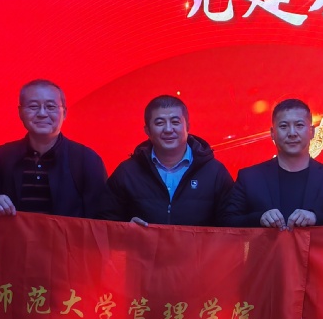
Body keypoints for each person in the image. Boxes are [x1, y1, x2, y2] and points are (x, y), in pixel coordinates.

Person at [100, 95, 233, 226]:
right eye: (159, 123)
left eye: (175, 122)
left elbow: (231, 227)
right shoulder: (127, 172)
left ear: (187, 126)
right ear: (147, 130)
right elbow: (104, 223)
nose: (168, 130)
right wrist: (124, 229)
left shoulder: (215, 172)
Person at [0, 79, 107, 218]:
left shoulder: (87, 160)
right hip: (12, 233)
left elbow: (100, 218)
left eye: (50, 106)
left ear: (64, 113)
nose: (42, 113)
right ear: (20, 112)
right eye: (33, 106)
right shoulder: (3, 156)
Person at [221, 98, 323, 228]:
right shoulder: (249, 178)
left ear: (312, 132)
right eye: (284, 126)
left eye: (299, 125)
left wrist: (316, 218)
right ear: (272, 133)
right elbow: (226, 223)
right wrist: (259, 218)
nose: (292, 133)